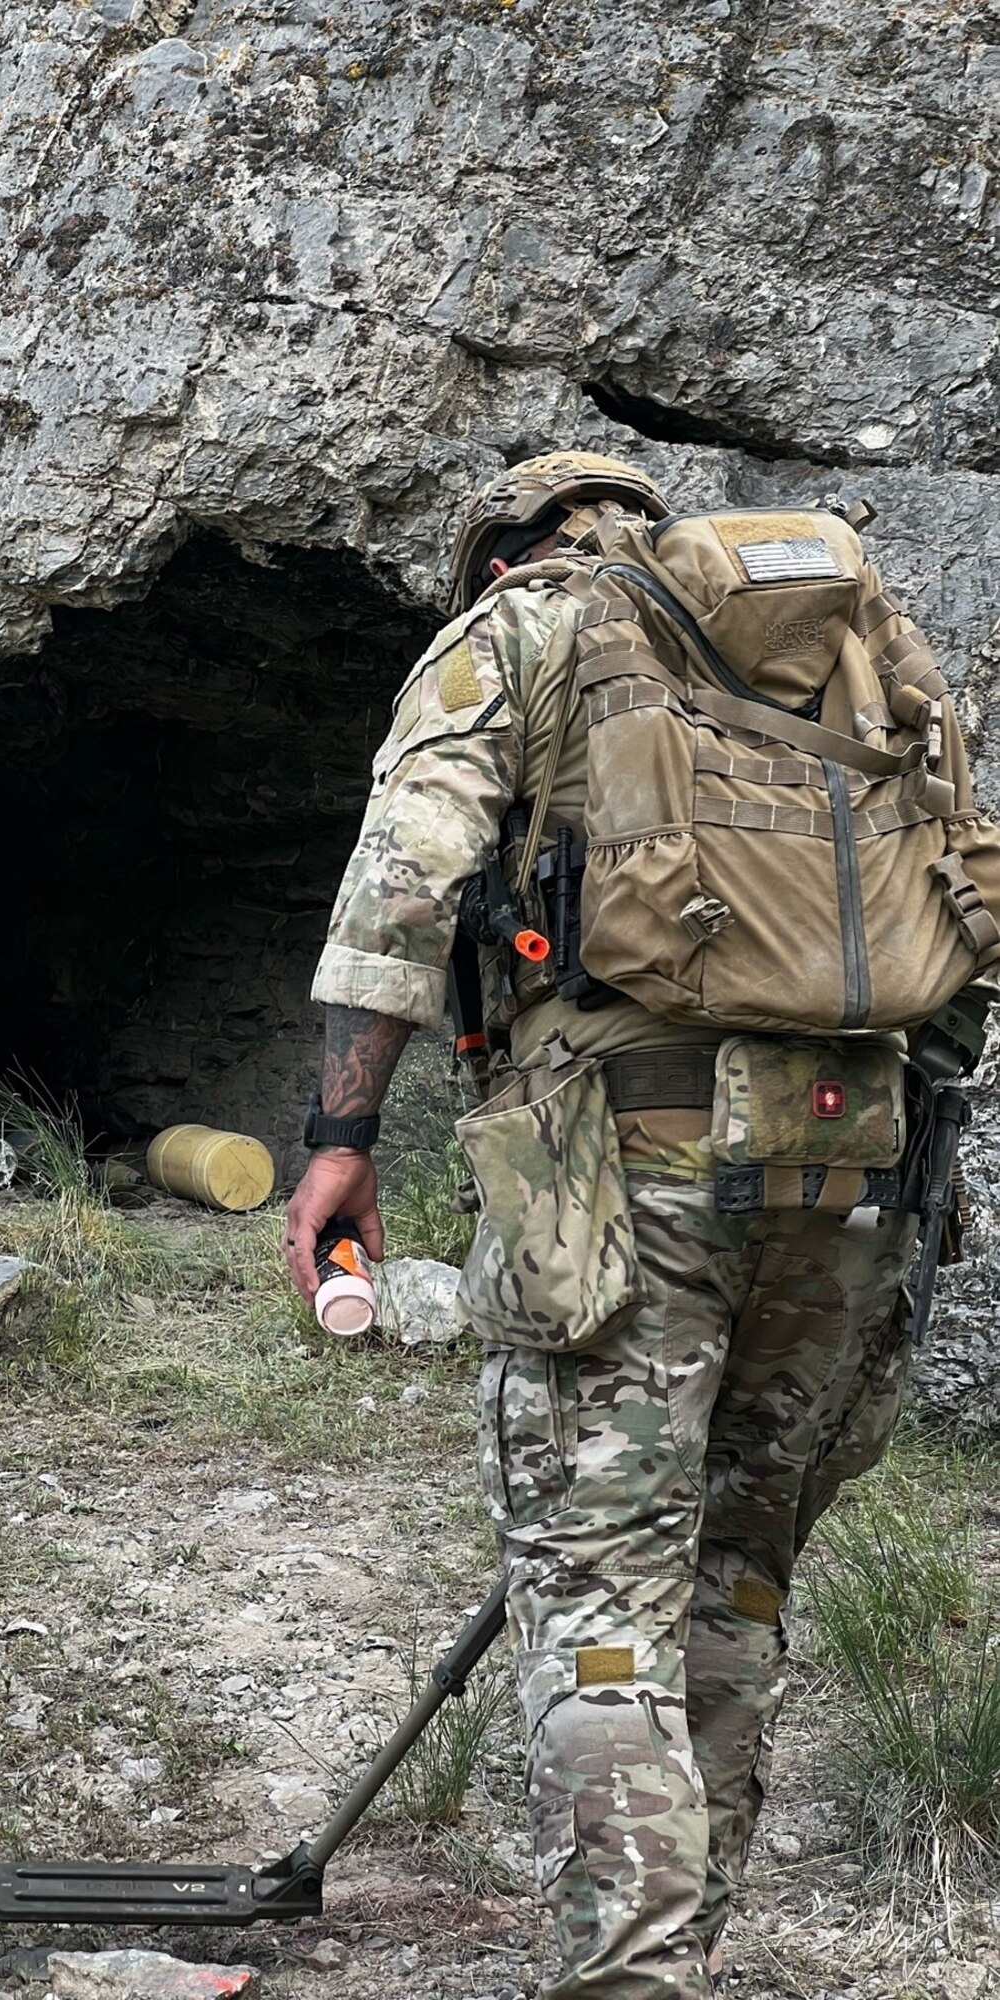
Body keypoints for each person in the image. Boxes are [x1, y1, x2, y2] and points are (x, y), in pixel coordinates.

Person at [282, 452, 941, 1999]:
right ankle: (683, 1946)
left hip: (614, 1163)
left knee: (597, 1597)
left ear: (501, 549)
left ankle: (632, 1978)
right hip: (856, 1167)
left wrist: (339, 1141)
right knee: (738, 1574)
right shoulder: (862, 651)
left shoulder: (523, 630)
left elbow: (405, 882)